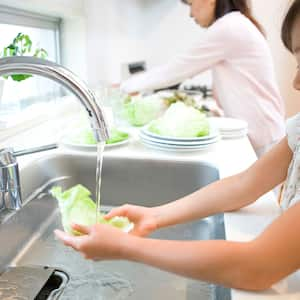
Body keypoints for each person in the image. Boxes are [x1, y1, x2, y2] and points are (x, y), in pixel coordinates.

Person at [55, 0, 300, 292]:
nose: (295, 82)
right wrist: (155, 215)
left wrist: (126, 247)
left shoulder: (232, 26)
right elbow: (246, 184)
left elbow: (255, 267)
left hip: (260, 133)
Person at [120, 0, 286, 157]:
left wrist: (124, 87)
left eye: (191, 4)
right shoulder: (237, 23)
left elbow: (178, 69)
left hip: (263, 136)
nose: (191, 14)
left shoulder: (229, 27)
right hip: (266, 131)